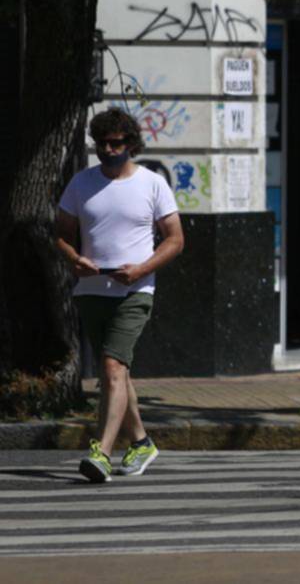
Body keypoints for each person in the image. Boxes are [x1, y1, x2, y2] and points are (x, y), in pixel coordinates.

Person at [55, 108, 184, 483]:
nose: (108, 150)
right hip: (91, 291)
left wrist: (142, 270)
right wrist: (74, 259)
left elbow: (175, 240)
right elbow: (61, 233)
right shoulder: (81, 184)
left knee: (112, 368)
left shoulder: (152, 184)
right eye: (102, 144)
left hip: (135, 291)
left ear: (131, 145)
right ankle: (141, 441)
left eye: (116, 143)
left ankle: (102, 452)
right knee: (119, 374)